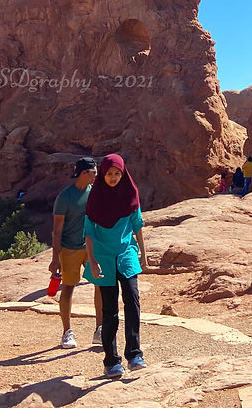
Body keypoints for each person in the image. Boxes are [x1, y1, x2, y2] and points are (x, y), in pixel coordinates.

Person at [85, 154, 147, 379]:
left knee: (132, 299)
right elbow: (89, 232)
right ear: (103, 174)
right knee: (109, 310)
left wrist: (143, 254)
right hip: (103, 257)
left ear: (123, 173)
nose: (113, 177)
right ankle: (111, 361)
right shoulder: (96, 198)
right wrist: (91, 260)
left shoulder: (130, 194)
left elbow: (137, 224)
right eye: (110, 173)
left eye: (117, 174)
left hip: (126, 254)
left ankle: (134, 354)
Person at [51, 157, 103, 349]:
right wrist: (55, 258)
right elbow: (57, 230)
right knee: (69, 288)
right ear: (84, 173)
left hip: (92, 248)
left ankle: (99, 329)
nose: (97, 175)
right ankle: (67, 332)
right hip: (70, 249)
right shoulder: (65, 197)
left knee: (100, 285)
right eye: (94, 172)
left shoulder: (95, 193)